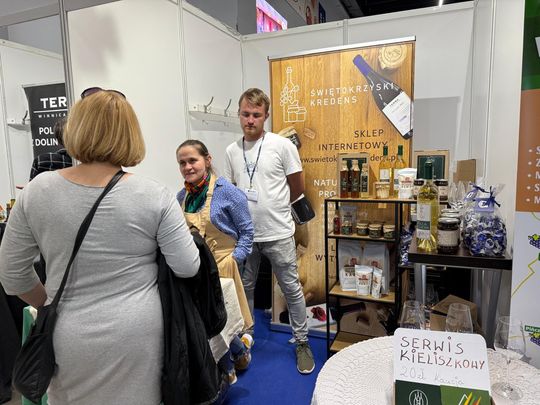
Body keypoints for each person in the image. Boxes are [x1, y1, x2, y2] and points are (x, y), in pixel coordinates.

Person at [0, 88, 200, 405]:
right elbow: (188, 266)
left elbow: (12, 276)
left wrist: (48, 301)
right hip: (138, 332)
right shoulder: (154, 195)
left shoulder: (37, 191)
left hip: (66, 331)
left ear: (75, 128)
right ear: (131, 134)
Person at [224, 88, 315, 374]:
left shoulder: (282, 146)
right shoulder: (231, 151)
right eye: (245, 114)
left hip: (278, 232)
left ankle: (302, 341)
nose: (250, 120)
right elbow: (231, 190)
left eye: (256, 115)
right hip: (246, 235)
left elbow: (297, 187)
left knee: (291, 288)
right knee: (245, 287)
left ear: (265, 116)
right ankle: (246, 339)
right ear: (239, 114)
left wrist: (276, 209)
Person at [176, 140, 254, 384]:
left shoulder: (227, 192)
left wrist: (234, 259)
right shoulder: (182, 196)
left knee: (222, 319)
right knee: (207, 320)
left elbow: (247, 233)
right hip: (197, 268)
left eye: (193, 160)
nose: (188, 167)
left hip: (223, 264)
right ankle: (236, 356)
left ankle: (230, 365)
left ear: (207, 160)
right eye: (182, 163)